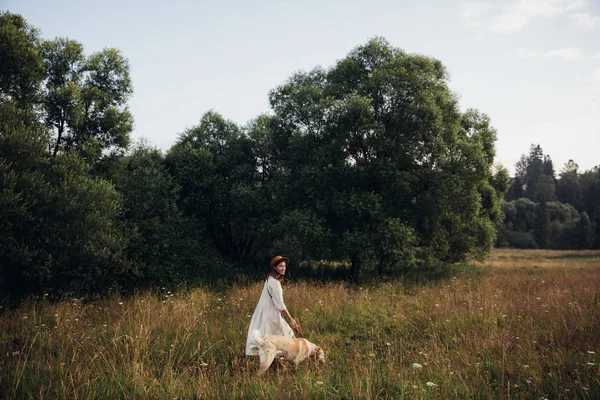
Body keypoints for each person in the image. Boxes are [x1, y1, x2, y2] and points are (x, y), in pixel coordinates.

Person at [245, 255, 300, 356]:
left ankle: (276, 360)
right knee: (285, 336)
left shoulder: (269, 278)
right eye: (280, 266)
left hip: (267, 311)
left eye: (284, 266)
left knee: (271, 336)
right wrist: (291, 319)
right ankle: (285, 359)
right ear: (274, 267)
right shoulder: (274, 283)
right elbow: (280, 304)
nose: (283, 268)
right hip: (272, 314)